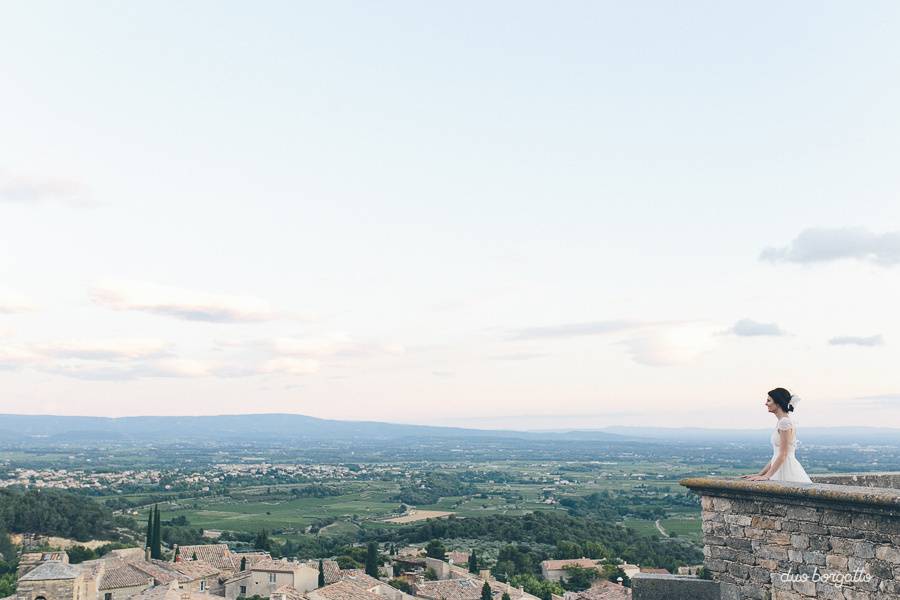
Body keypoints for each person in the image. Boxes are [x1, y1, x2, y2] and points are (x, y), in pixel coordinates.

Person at [741, 387, 812, 483]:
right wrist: (760, 474)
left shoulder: (784, 422)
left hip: (786, 469)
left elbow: (783, 454)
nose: (766, 403)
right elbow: (776, 456)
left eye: (769, 400)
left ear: (778, 403)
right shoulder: (782, 421)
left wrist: (767, 476)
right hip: (780, 467)